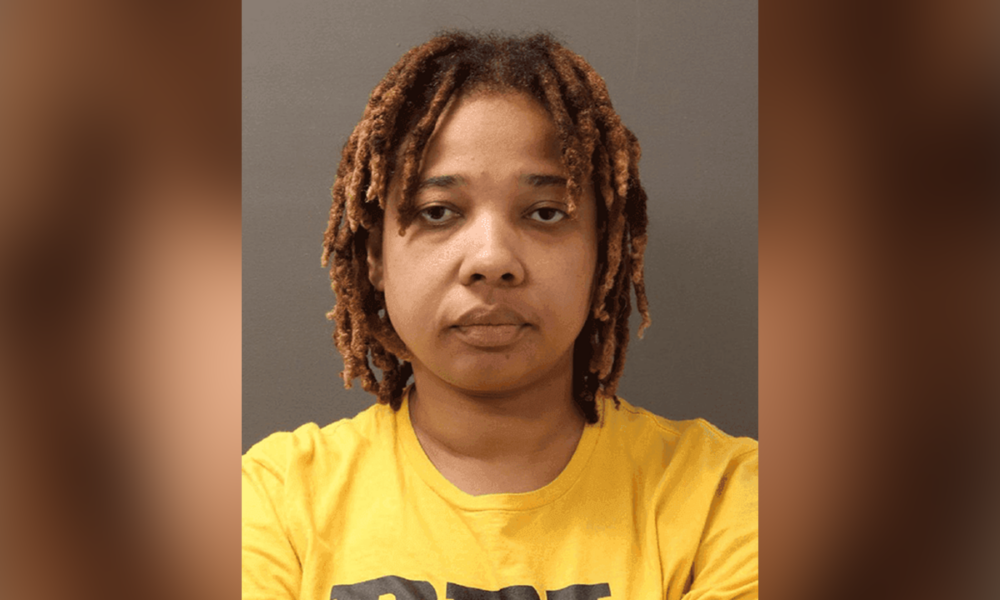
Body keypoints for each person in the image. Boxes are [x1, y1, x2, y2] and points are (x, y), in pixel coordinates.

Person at [242, 31, 757, 600]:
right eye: (438, 212)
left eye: (545, 213)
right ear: (376, 258)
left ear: (603, 253)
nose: (491, 260)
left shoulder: (726, 498)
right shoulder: (272, 502)